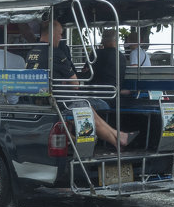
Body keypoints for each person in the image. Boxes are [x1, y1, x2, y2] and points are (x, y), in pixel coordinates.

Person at [26, 20, 138, 148]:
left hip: (39, 101)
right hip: (60, 103)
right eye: (60, 34)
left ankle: (118, 136)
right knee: (86, 107)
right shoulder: (55, 54)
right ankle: (118, 140)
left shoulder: (31, 53)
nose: (61, 37)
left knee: (86, 105)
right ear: (52, 33)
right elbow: (75, 84)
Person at [90, 29, 130, 96]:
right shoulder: (121, 57)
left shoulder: (95, 54)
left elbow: (85, 72)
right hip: (113, 94)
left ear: (103, 40)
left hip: (94, 93)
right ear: (116, 40)